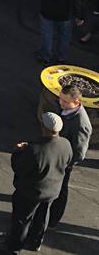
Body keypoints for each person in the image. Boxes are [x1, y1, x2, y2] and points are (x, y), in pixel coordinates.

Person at [5, 113, 72, 253]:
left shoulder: (34, 149)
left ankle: (14, 248)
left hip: (31, 192)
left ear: (43, 127)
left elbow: (19, 167)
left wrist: (18, 151)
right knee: (42, 217)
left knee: (22, 220)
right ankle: (35, 242)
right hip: (52, 190)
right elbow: (67, 161)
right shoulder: (66, 144)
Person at [45, 84, 93, 231]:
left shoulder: (81, 124)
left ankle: (53, 219)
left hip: (63, 163)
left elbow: (79, 153)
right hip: (55, 155)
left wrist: (65, 163)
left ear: (77, 102)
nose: (61, 103)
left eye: (65, 102)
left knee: (60, 190)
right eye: (60, 99)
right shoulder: (66, 109)